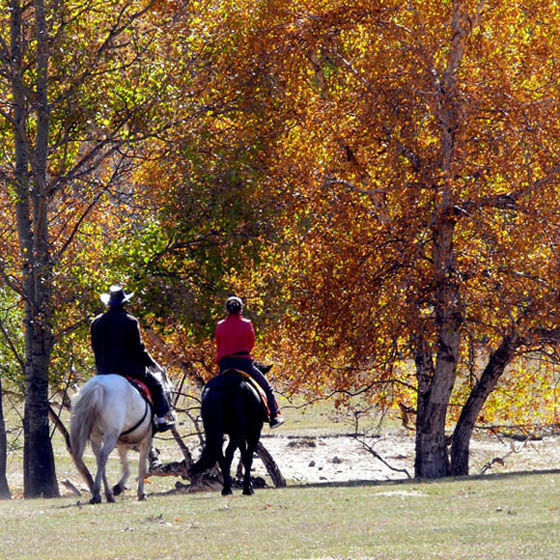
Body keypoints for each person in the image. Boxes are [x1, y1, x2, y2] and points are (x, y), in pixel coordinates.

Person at [91, 285, 176, 432]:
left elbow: (95, 347)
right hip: (129, 369)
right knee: (156, 385)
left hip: (104, 371)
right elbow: (138, 348)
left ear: (108, 304)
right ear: (125, 303)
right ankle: (161, 420)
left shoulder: (97, 322)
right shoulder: (130, 321)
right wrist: (151, 363)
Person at [215, 296, 284, 428]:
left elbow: (218, 344)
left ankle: (209, 415)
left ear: (226, 310)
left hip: (225, 365)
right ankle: (274, 415)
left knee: (212, 388)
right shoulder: (247, 324)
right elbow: (251, 343)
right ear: (241, 309)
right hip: (244, 364)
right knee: (267, 389)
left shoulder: (220, 325)